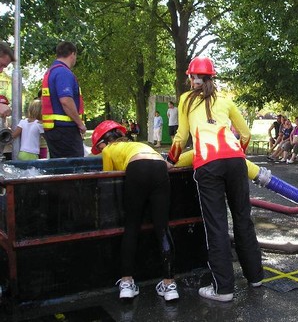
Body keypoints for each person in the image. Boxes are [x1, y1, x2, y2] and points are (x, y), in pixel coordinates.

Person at [167, 57, 263, 302]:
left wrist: (170, 161)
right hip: (236, 162)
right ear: (212, 77)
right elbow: (245, 133)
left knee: (217, 225)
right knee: (243, 219)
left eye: (192, 77)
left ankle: (223, 289)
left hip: (209, 165)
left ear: (191, 77)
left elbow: (180, 137)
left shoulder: (186, 100)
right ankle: (256, 277)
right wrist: (236, 153)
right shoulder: (226, 100)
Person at [91, 120, 179, 301]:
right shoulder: (139, 144)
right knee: (163, 228)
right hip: (159, 167)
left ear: (102, 142)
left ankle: (126, 283)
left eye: (98, 148)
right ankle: (170, 285)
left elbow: (108, 178)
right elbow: (166, 164)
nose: (100, 152)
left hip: (136, 169)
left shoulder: (108, 150)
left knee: (131, 227)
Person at [41, 41, 86, 158]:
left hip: (54, 130)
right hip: (66, 131)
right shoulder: (63, 72)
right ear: (72, 54)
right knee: (74, 168)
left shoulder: (51, 72)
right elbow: (66, 101)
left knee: (60, 169)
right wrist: (80, 124)